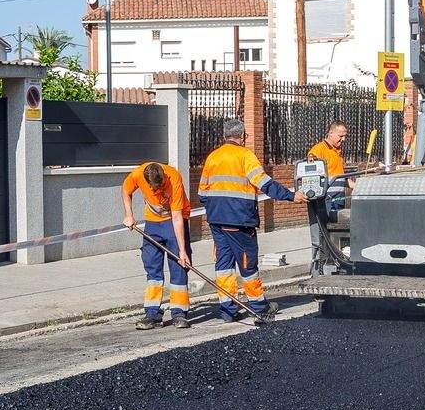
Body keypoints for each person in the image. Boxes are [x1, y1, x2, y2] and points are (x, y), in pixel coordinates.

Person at [199, 118, 295, 324]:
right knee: (247, 266)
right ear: (242, 136)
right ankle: (259, 307)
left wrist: (216, 211)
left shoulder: (212, 157)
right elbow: (264, 183)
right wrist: (291, 195)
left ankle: (228, 310)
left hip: (217, 221)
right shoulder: (245, 156)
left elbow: (202, 194)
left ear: (224, 135)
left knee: (223, 266)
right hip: (240, 222)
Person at [121, 161, 193, 329]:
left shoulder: (173, 178)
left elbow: (176, 217)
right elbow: (125, 190)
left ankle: (179, 313)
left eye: (159, 188)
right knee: (152, 266)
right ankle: (152, 314)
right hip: (152, 224)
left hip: (173, 221)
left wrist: (182, 251)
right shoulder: (138, 174)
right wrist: (129, 215)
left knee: (179, 266)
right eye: (153, 189)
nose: (156, 192)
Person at [306, 123, 350, 271]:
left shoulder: (337, 151)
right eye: (340, 136)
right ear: (330, 133)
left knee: (336, 234)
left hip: (338, 200)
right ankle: (318, 270)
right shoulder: (318, 150)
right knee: (321, 235)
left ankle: (335, 265)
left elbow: (340, 176)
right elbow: (311, 175)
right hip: (324, 202)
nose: (343, 139)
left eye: (345, 136)